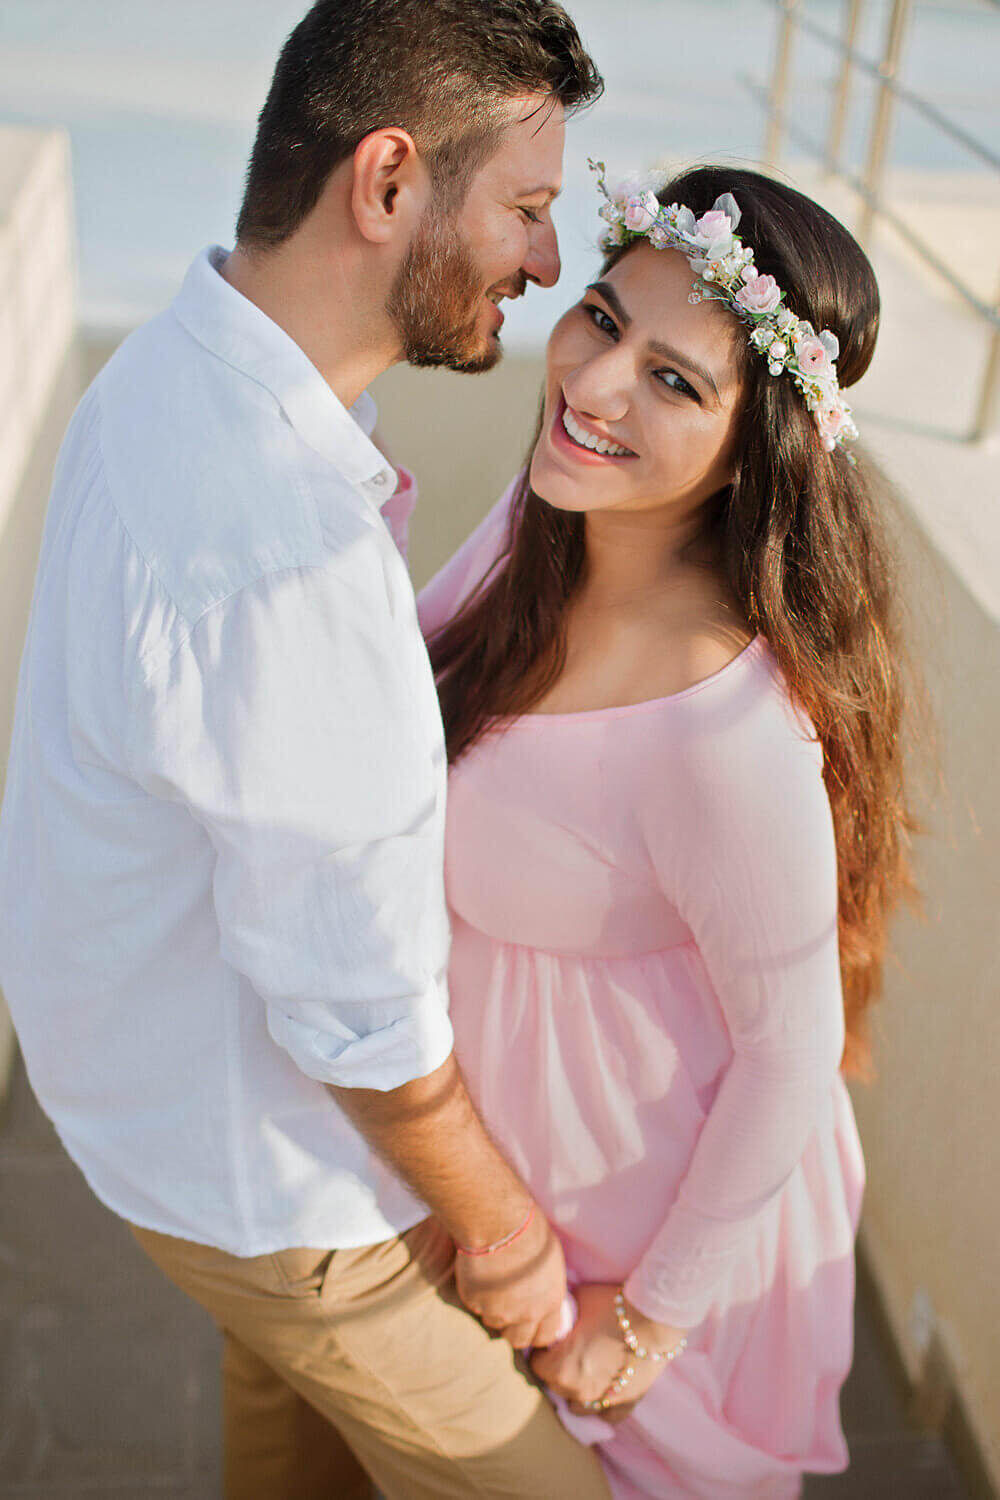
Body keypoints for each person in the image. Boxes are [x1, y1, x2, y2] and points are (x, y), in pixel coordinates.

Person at [0, 4, 612, 1497]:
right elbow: (370, 1039)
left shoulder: (176, 363)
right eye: (527, 210)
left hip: (139, 1102)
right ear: (388, 181)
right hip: (268, 1183)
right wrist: (507, 1235)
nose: (547, 267)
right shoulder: (282, 555)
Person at [418, 162, 917, 1499]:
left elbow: (795, 1051)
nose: (593, 383)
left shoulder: (725, 732)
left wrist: (647, 1323)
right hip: (522, 1191)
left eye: (677, 381)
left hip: (656, 1238)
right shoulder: (550, 524)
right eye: (599, 317)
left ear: (757, 448)